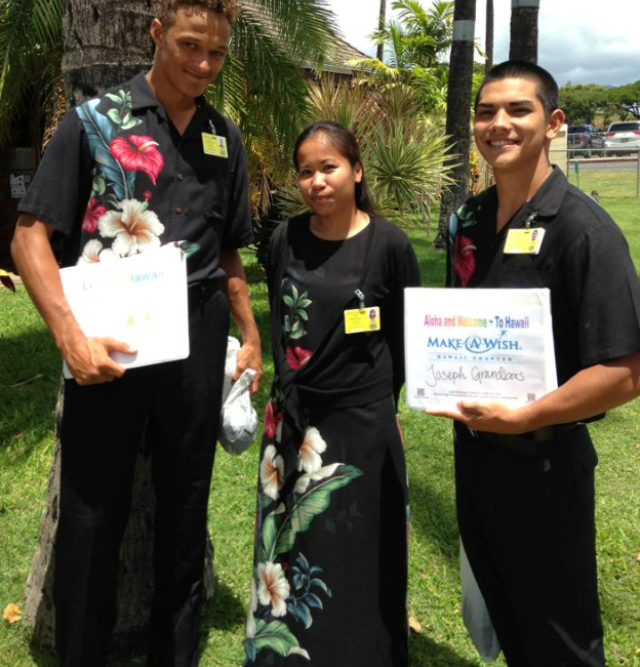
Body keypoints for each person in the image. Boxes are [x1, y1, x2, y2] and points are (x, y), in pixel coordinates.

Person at [11, 0, 262, 667]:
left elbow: (232, 254)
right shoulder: (93, 123)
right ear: (156, 33)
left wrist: (250, 335)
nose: (203, 64)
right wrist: (69, 336)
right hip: (108, 346)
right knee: (92, 517)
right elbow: (29, 236)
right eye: (188, 46)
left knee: (186, 513)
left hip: (198, 337)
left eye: (215, 52)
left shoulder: (224, 140)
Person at [428, 61, 640, 666]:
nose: (498, 124)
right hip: (476, 458)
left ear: (553, 123)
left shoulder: (583, 228)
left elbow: (626, 368)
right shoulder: (467, 220)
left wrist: (526, 417)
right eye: (486, 111)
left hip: (545, 467)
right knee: (509, 622)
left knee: (560, 640)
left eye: (517, 110)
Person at [244, 122, 420, 666]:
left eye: (329, 167)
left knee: (361, 545)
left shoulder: (388, 243)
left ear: (356, 170)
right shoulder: (284, 239)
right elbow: (283, 323)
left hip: (362, 424)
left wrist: (368, 401)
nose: (317, 181)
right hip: (293, 422)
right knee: (294, 545)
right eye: (305, 171)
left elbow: (406, 338)